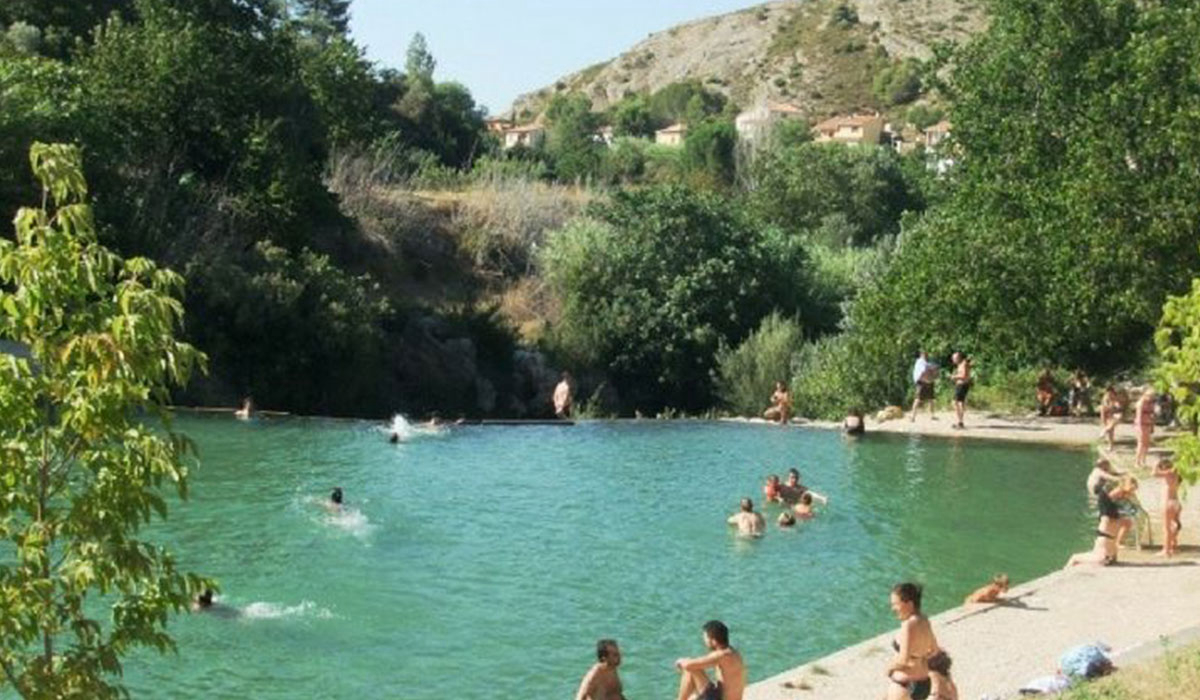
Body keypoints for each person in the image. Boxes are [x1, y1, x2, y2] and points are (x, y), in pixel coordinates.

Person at [886, 582, 939, 700]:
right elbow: (934, 650)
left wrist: (889, 669)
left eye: (895, 604)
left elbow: (903, 660)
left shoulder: (908, 625)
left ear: (909, 604)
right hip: (924, 683)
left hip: (904, 684)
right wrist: (918, 658)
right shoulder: (924, 620)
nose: (893, 608)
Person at [674, 620, 746, 700]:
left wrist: (680, 661)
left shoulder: (722, 655)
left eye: (706, 638)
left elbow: (688, 665)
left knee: (691, 669)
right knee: (692, 670)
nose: (705, 642)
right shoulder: (731, 652)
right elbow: (699, 662)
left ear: (713, 641)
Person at [1153, 459, 1182, 558]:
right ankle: (1173, 547)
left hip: (1168, 503)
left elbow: (1154, 474)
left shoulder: (1169, 473)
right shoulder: (1176, 474)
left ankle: (1166, 550)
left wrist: (1155, 463)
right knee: (1175, 525)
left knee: (1166, 528)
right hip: (1176, 502)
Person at [909, 351, 937, 422]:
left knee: (931, 399)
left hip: (929, 382)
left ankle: (932, 415)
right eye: (924, 354)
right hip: (922, 382)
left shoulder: (926, 362)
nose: (926, 355)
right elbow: (923, 371)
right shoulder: (920, 362)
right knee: (918, 399)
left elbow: (932, 369)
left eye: (926, 354)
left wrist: (932, 374)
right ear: (921, 355)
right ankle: (913, 416)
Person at [1134, 388, 1155, 468]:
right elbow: (1138, 416)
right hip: (1141, 424)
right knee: (1141, 443)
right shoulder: (1141, 403)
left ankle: (1143, 460)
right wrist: (1139, 427)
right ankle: (1137, 462)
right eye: (1150, 396)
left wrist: (1152, 425)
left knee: (1146, 443)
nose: (1151, 398)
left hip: (1148, 424)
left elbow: (1152, 415)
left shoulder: (1150, 403)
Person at [950, 353, 971, 429]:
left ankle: (960, 422)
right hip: (963, 385)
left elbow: (964, 376)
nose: (953, 360)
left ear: (959, 358)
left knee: (954, 402)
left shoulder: (963, 364)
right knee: (961, 403)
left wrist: (954, 377)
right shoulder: (962, 364)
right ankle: (960, 422)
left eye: (954, 358)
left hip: (962, 385)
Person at [1099, 385, 1122, 450]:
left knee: (1114, 420)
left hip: (1117, 414)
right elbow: (1104, 409)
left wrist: (1115, 406)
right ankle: (1111, 445)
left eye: (1110, 393)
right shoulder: (1105, 398)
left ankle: (1104, 431)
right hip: (1109, 415)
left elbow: (1118, 408)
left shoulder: (1116, 397)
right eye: (1108, 393)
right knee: (1110, 430)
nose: (1109, 394)